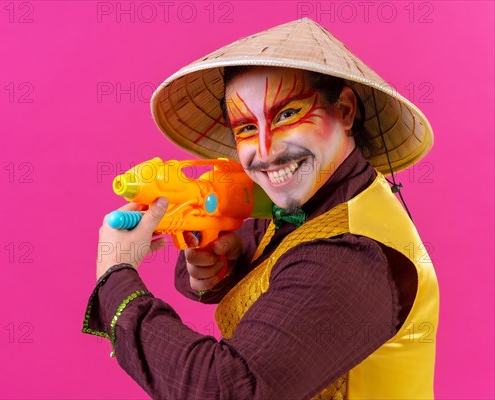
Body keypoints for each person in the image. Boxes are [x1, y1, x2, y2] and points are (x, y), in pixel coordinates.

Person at [83, 18, 439, 399]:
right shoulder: (315, 198)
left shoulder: (350, 254)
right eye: (246, 128)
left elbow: (224, 389)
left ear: (346, 111)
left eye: (287, 115)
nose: (266, 151)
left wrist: (115, 275)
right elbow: (257, 246)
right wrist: (221, 263)